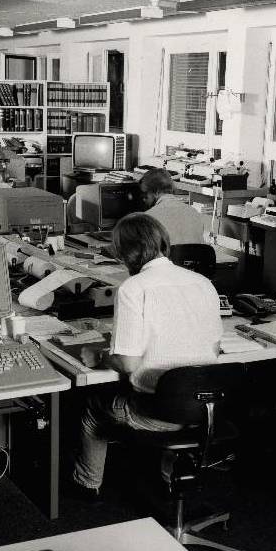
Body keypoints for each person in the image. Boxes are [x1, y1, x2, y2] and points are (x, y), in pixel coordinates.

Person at [71, 212, 222, 498]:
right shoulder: (203, 283)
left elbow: (127, 364)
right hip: (205, 409)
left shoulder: (134, 288)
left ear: (129, 253)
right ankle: (166, 477)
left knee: (93, 406)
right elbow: (213, 349)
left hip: (157, 411)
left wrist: (100, 357)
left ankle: (87, 483)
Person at [138, 169, 208, 246]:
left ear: (156, 192)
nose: (144, 200)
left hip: (167, 257)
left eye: (145, 195)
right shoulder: (194, 212)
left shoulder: (148, 218)